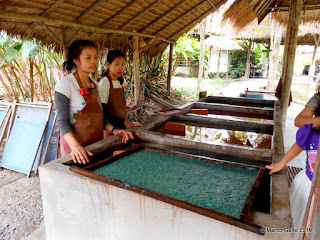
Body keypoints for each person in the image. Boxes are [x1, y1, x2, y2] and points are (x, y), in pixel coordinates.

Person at [55, 40, 133, 164]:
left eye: (96, 57)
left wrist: (113, 130)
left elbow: (98, 118)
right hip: (75, 149)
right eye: (88, 58)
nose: (94, 61)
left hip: (95, 144)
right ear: (76, 60)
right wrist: (75, 147)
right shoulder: (65, 85)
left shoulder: (95, 85)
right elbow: (62, 122)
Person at [266, 123, 317, 239]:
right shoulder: (313, 132)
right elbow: (299, 144)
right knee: (299, 217)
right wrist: (281, 163)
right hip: (307, 183)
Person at [99, 49, 141, 130]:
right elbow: (102, 111)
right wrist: (122, 122)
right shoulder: (105, 83)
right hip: (111, 128)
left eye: (123, 64)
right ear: (108, 65)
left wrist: (126, 122)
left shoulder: (119, 81)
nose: (120, 68)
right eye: (117, 64)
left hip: (122, 125)